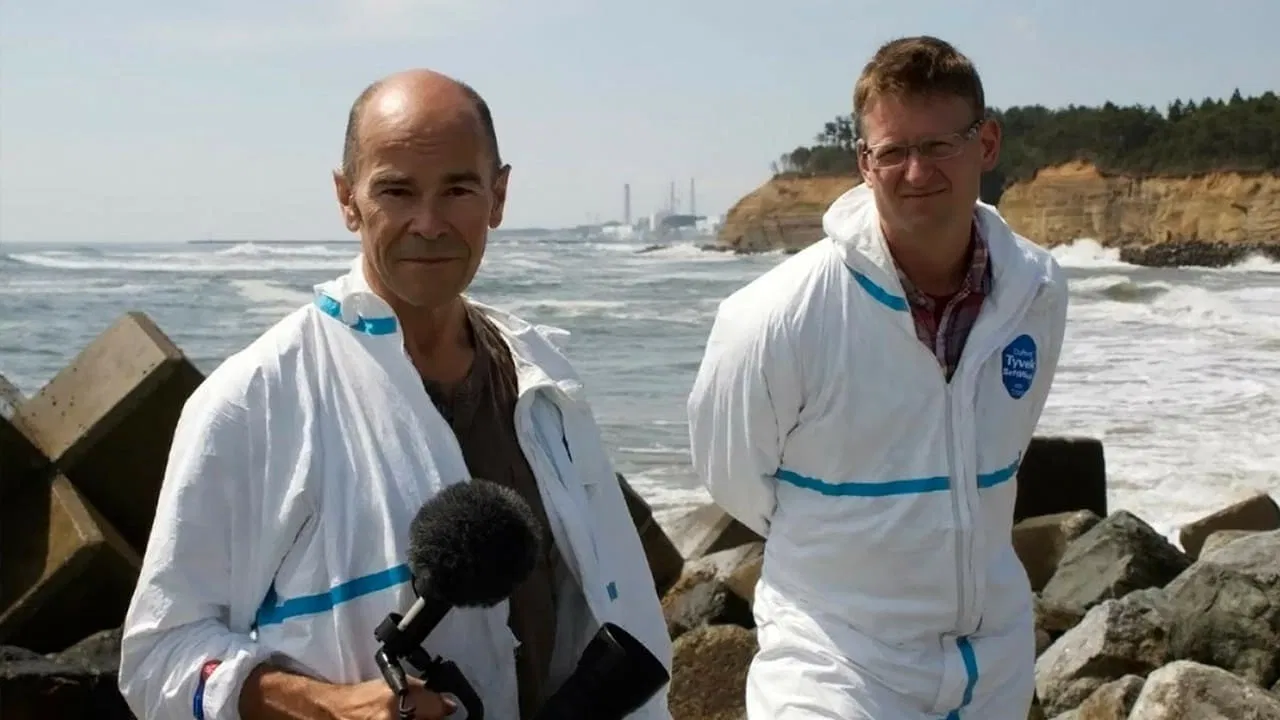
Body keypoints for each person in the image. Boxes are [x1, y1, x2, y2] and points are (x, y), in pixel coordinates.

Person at [118, 69, 673, 720]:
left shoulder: (542, 376)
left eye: (458, 190)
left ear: (498, 196)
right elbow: (158, 658)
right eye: (396, 191)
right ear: (347, 199)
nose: (428, 224)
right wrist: (330, 707)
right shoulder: (255, 401)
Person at [686, 36, 1069, 719]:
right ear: (864, 163)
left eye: (939, 145)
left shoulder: (1035, 291)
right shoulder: (775, 317)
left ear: (986, 144)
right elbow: (734, 478)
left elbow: (1002, 445)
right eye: (893, 152)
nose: (916, 172)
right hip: (834, 667)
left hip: (994, 670)